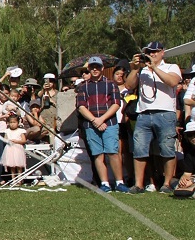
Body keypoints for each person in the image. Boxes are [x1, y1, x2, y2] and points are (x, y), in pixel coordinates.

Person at [126, 41, 182, 194]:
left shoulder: (171, 67)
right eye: (149, 52)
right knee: (139, 149)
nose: (152, 54)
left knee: (167, 149)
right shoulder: (142, 71)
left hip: (165, 113)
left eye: (155, 51)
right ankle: (138, 184)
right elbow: (129, 86)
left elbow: (172, 81)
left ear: (162, 52)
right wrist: (135, 69)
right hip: (144, 113)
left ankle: (167, 183)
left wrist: (154, 68)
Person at [76, 56, 126, 193]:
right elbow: (81, 107)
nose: (95, 69)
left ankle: (119, 182)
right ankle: (105, 183)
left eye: (97, 67)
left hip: (109, 123)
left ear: (102, 68)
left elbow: (116, 104)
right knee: (98, 154)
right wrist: (94, 120)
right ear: (89, 69)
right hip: (91, 125)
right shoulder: (83, 87)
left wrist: (102, 119)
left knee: (113, 152)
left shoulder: (111, 84)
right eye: (92, 67)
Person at [0, 115, 28, 182]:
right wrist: (8, 141)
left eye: (14, 122)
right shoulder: (7, 131)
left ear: (18, 122)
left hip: (18, 148)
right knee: (11, 165)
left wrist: (17, 141)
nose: (12, 124)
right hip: (10, 149)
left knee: (19, 165)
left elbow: (24, 140)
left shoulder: (20, 131)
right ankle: (13, 179)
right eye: (11, 122)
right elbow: (5, 139)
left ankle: (20, 179)